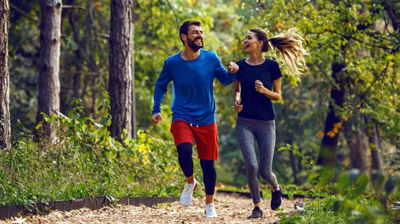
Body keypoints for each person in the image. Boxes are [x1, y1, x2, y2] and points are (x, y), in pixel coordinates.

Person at [151, 20, 239, 218]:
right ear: (184, 37)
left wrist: (233, 71)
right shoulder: (172, 63)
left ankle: (209, 204)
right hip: (182, 115)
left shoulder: (211, 58)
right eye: (195, 33)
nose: (200, 35)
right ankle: (190, 181)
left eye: (201, 32)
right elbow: (160, 85)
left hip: (207, 119)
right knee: (184, 151)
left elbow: (225, 79)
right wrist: (156, 109)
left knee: (208, 165)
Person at [232, 28, 308, 219]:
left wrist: (265, 91)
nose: (245, 40)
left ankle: (276, 188)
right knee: (251, 166)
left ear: (259, 43)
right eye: (245, 37)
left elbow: (278, 96)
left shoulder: (272, 66)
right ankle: (257, 206)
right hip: (244, 122)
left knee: (265, 171)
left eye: (249, 37)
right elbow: (236, 90)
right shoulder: (240, 66)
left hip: (266, 122)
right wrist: (236, 101)